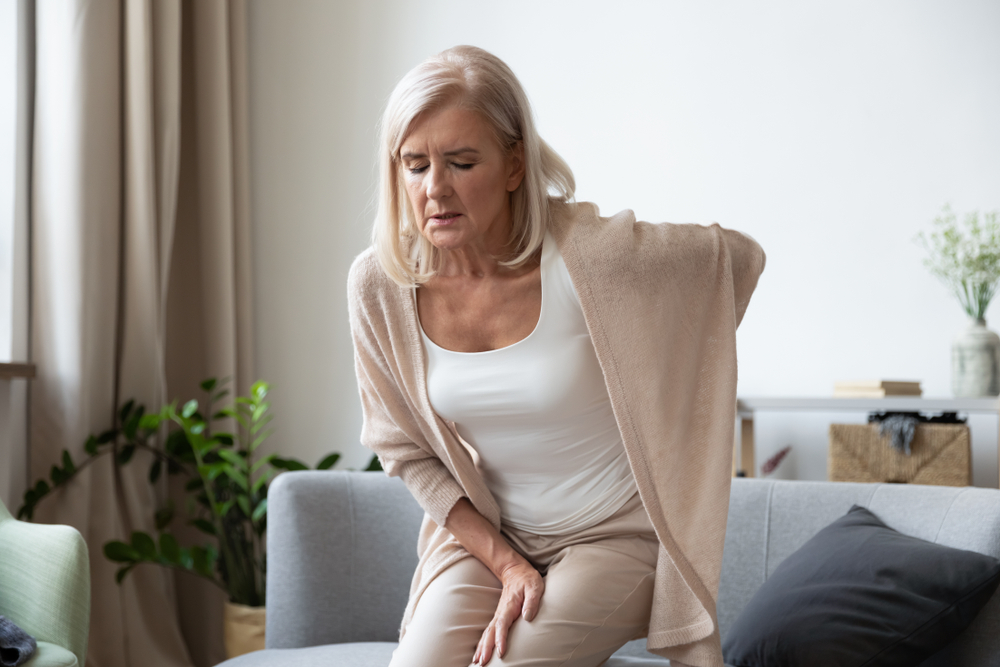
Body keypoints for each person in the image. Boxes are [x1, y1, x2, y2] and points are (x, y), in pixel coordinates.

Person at [347, 45, 766, 667]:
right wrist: (506, 562)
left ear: (515, 165)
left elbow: (736, 261)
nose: (435, 188)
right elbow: (404, 450)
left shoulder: (591, 261)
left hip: (616, 535)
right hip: (493, 536)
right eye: (414, 166)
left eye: (461, 162)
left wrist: (667, 395)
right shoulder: (381, 286)